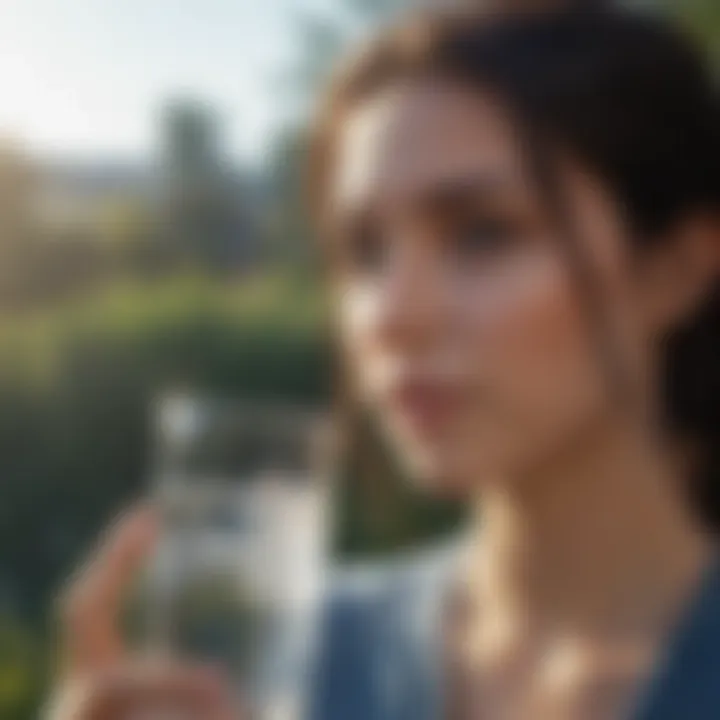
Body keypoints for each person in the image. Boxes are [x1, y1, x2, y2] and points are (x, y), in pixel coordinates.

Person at [46, 2, 720, 719]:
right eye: (365, 253)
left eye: (483, 234)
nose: (392, 315)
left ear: (679, 268)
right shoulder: (293, 664)